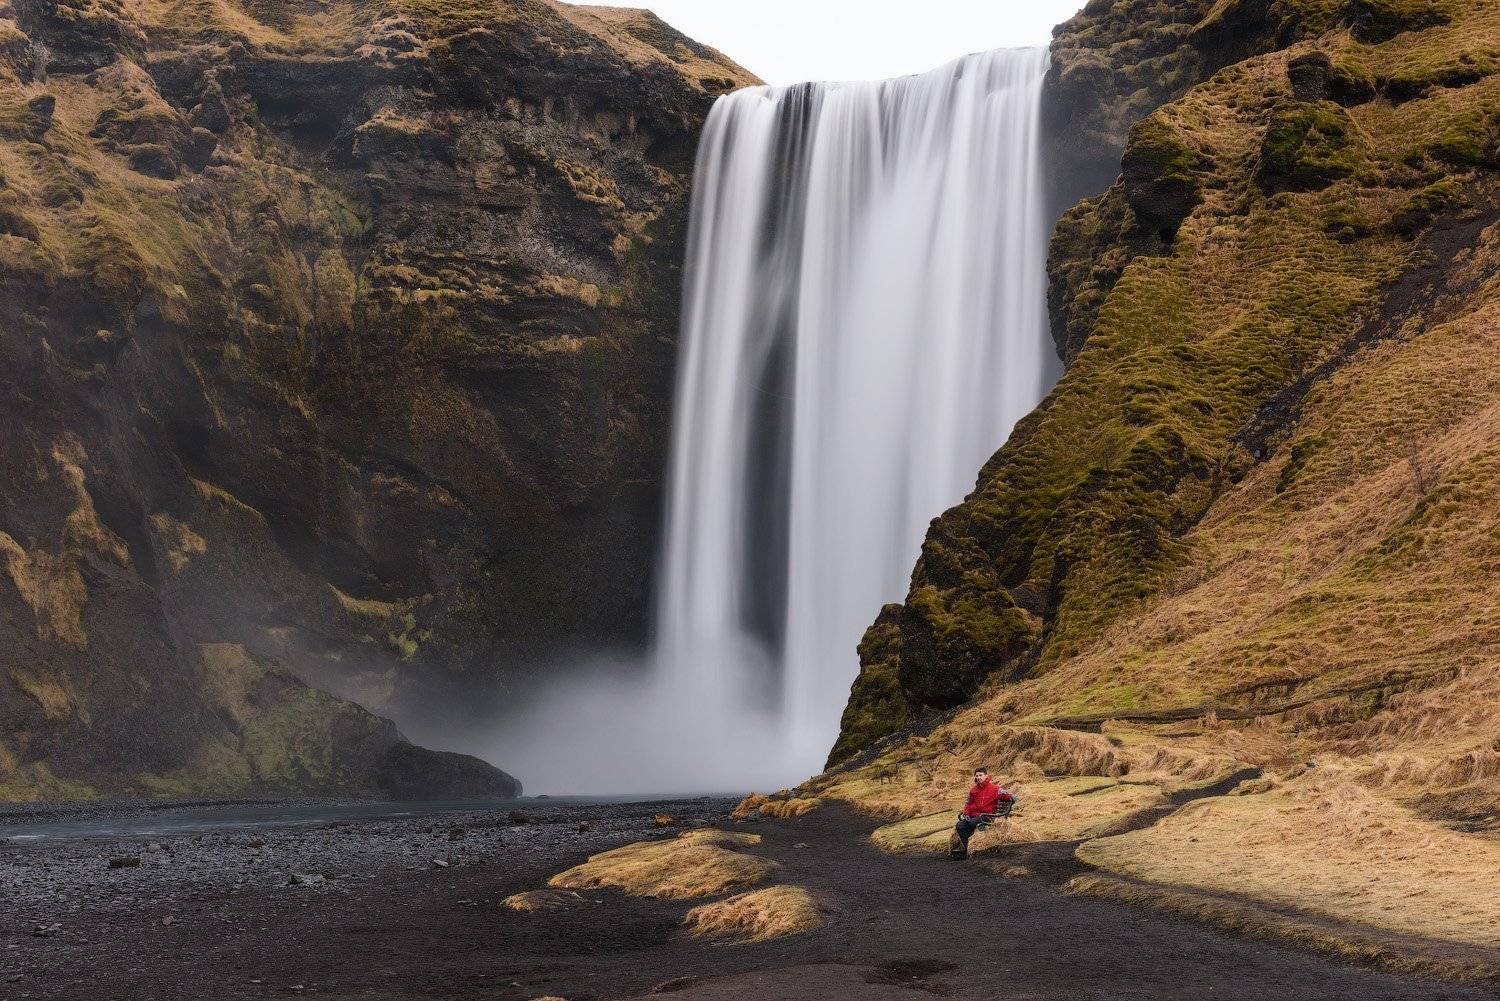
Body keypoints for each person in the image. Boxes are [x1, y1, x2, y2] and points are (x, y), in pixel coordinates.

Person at [950, 767, 1013, 859]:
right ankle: (969, 849)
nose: (979, 777)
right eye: (977, 776)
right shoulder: (973, 790)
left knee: (971, 823)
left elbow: (1005, 795)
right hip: (973, 816)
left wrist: (1011, 797)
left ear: (986, 776)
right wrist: (966, 814)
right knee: (960, 825)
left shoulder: (995, 788)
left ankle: (973, 849)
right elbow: (968, 804)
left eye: (980, 775)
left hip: (987, 816)